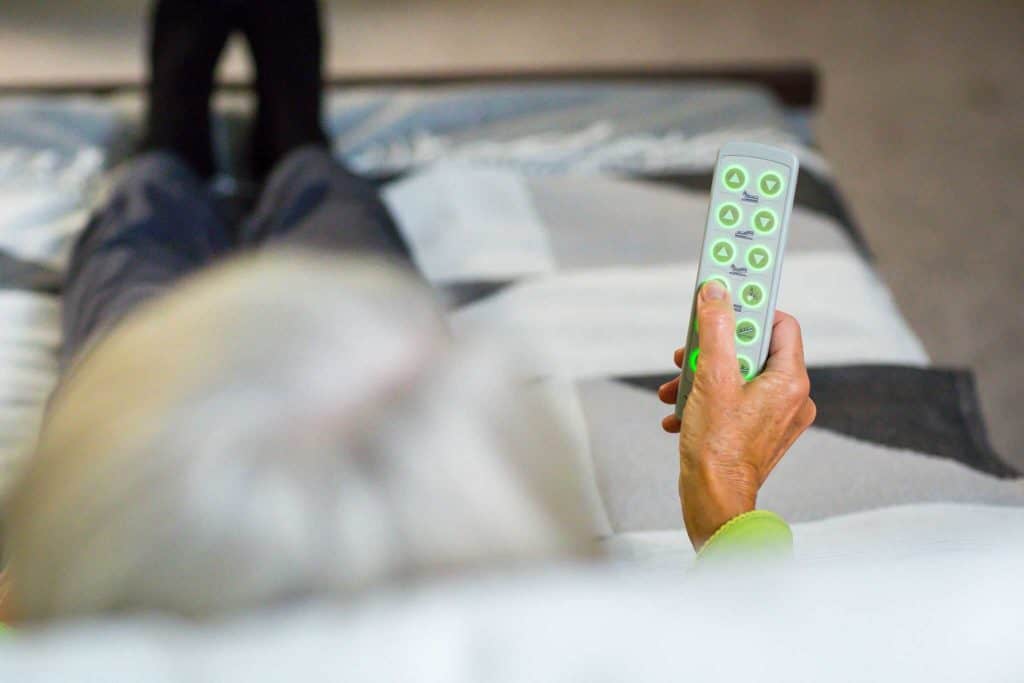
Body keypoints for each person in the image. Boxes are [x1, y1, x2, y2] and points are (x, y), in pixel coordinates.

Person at [0, 0, 814, 624]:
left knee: (136, 291)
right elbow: (773, 647)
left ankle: (171, 154)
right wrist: (727, 489)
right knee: (352, 281)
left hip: (122, 546)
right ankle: (296, 150)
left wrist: (36, 584)